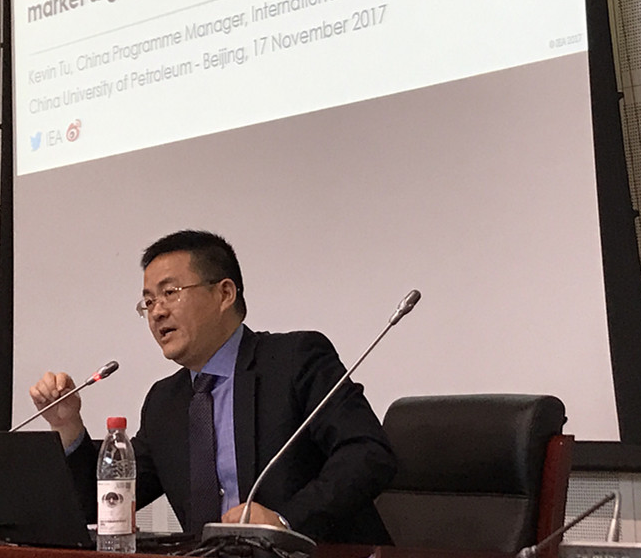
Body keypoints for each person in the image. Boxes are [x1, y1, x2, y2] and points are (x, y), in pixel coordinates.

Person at [30, 230, 396, 544]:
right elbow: (106, 502)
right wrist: (67, 425)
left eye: (170, 292)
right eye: (149, 301)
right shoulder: (165, 401)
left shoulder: (295, 360)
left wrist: (285, 523)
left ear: (224, 294)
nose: (157, 312)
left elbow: (368, 454)